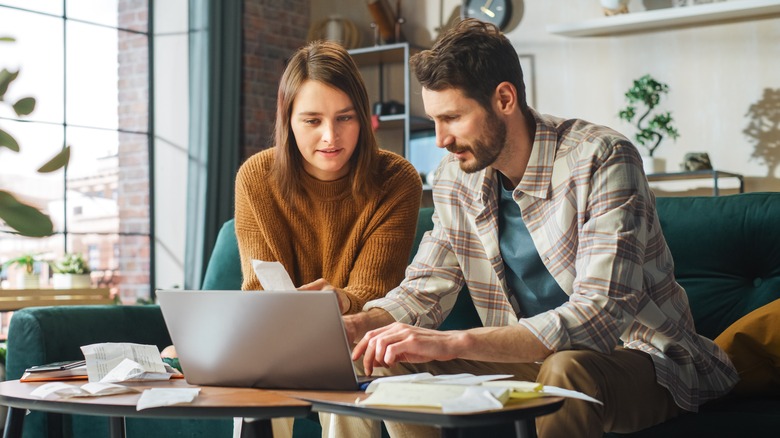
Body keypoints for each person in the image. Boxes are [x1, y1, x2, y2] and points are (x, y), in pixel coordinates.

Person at [344, 19, 739, 438]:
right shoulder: (453, 178)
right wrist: (359, 324)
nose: (440, 139)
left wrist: (457, 342)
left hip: (639, 359)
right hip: (524, 364)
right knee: (378, 353)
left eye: (453, 117)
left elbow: (599, 315)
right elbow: (425, 287)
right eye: (434, 120)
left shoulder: (602, 158)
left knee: (565, 368)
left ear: (504, 98)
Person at [167, 40, 422, 438]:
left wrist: (338, 300)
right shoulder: (256, 177)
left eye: (345, 118)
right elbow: (259, 288)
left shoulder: (396, 179)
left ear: (364, 118)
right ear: (287, 119)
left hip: (359, 332)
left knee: (353, 357)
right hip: (276, 339)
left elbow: (377, 289)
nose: (330, 136)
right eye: (312, 120)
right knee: (256, 367)